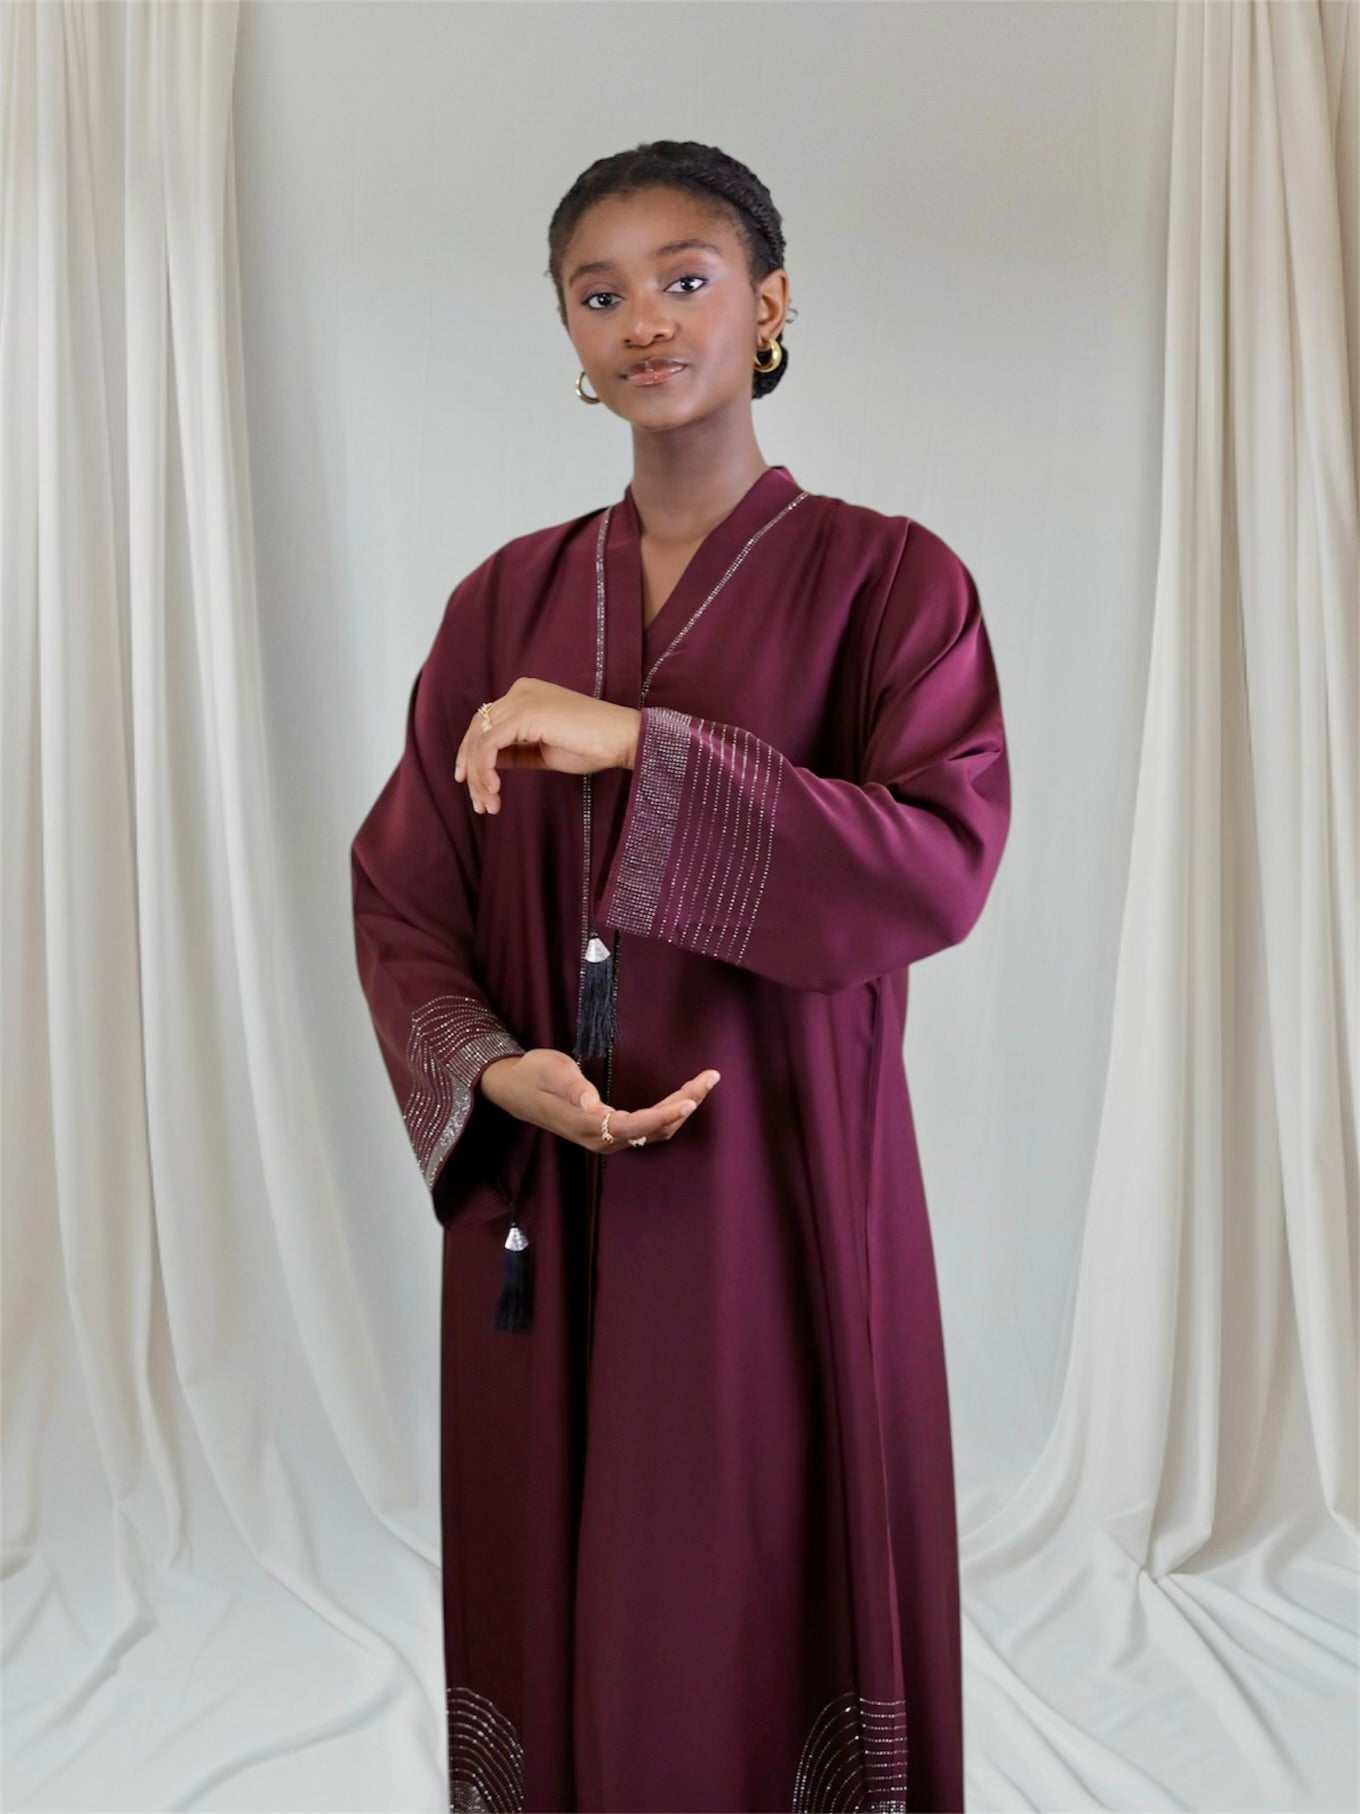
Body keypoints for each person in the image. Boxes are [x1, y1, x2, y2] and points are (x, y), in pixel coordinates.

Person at [350, 138, 1011, 1814]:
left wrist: (646, 747)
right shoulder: (497, 601)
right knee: (558, 1594)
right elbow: (400, 891)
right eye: (599, 291)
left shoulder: (893, 582)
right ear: (568, 338)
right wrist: (498, 1072)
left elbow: (940, 857)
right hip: (543, 1210)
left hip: (777, 1196)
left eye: (687, 276)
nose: (644, 318)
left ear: (770, 302)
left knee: (756, 1576)